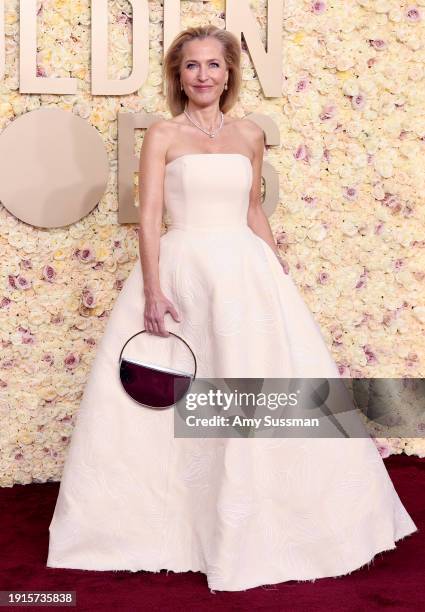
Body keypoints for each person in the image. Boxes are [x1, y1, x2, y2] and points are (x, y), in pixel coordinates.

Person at [47, 25, 418, 592]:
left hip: (245, 273)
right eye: (191, 65)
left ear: (228, 73)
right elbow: (150, 217)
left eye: (213, 65)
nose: (203, 75)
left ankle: (265, 520)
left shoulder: (248, 134)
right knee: (179, 402)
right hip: (183, 272)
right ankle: (172, 525)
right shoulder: (163, 135)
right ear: (179, 75)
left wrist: (276, 269)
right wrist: (152, 289)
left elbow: (251, 207)